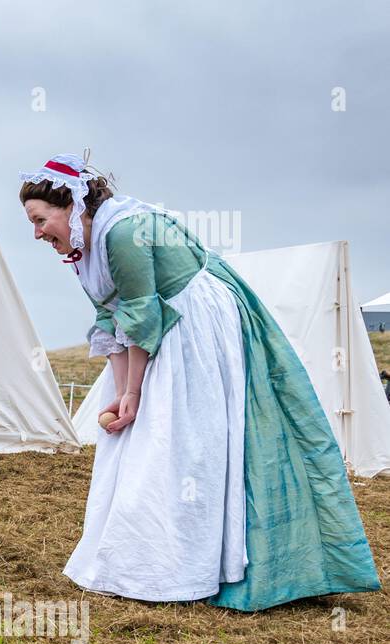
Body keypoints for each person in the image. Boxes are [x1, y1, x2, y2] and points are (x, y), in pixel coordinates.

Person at [19, 153, 380, 611]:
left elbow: (142, 314)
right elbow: (111, 322)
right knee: (137, 438)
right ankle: (139, 563)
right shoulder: (83, 250)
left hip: (192, 326)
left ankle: (186, 569)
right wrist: (123, 396)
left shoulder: (126, 232)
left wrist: (134, 392)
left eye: (39, 219)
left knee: (179, 442)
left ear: (71, 206)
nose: (36, 233)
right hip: (156, 327)